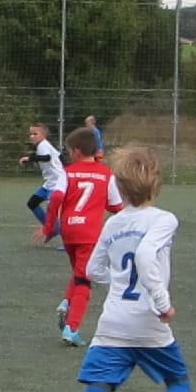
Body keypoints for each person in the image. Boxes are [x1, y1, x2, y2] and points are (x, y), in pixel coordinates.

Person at [39, 145, 193, 392]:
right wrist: (162, 303)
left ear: (119, 187)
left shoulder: (114, 223)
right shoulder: (164, 219)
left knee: (97, 391)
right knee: (179, 382)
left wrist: (119, 282)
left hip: (113, 322)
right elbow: (145, 255)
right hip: (147, 322)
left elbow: (93, 270)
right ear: (156, 183)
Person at [38, 126, 123, 347]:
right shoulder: (106, 174)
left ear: (76, 151)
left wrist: (48, 228)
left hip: (69, 231)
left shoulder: (67, 172)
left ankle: (67, 302)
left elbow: (56, 198)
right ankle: (72, 328)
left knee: (79, 271)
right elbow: (116, 206)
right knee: (85, 281)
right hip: (90, 234)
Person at [19, 122, 67, 238]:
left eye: (35, 134)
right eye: (31, 134)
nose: (32, 136)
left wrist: (29, 158)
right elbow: (60, 156)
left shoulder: (43, 145)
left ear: (43, 135)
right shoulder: (46, 145)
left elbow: (47, 157)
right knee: (32, 203)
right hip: (49, 183)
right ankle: (50, 228)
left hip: (56, 183)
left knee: (53, 210)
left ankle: (65, 236)